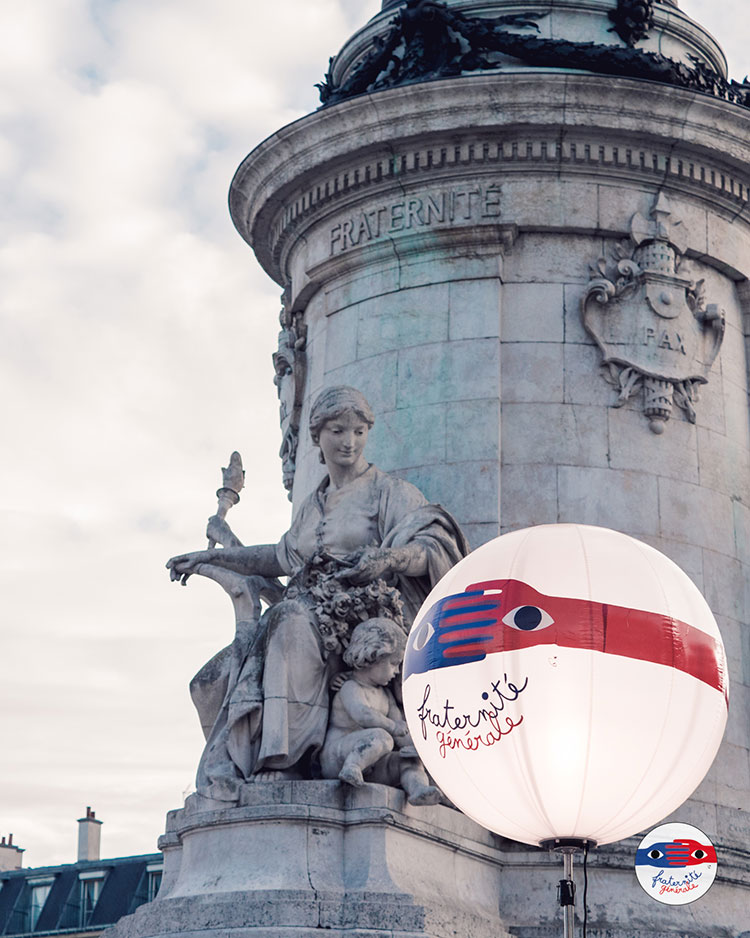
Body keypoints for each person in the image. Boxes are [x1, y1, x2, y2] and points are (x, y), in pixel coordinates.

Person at [167, 386, 468, 800]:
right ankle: (255, 756)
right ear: (317, 437)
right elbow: (278, 557)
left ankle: (286, 759)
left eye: (359, 431)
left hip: (361, 619)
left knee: (287, 620)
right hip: (310, 610)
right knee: (210, 681)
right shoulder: (313, 505)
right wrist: (208, 558)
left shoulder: (388, 492)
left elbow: (433, 548)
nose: (349, 442)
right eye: (338, 431)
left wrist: (387, 560)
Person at [320, 618, 440, 805]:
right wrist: (392, 727)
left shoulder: (385, 696)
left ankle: (418, 789)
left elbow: (401, 730)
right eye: (393, 663)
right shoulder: (350, 687)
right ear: (373, 655)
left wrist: (417, 749)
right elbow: (363, 714)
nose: (397, 671)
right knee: (382, 737)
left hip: (373, 763)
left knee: (408, 760)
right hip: (337, 757)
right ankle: (352, 768)